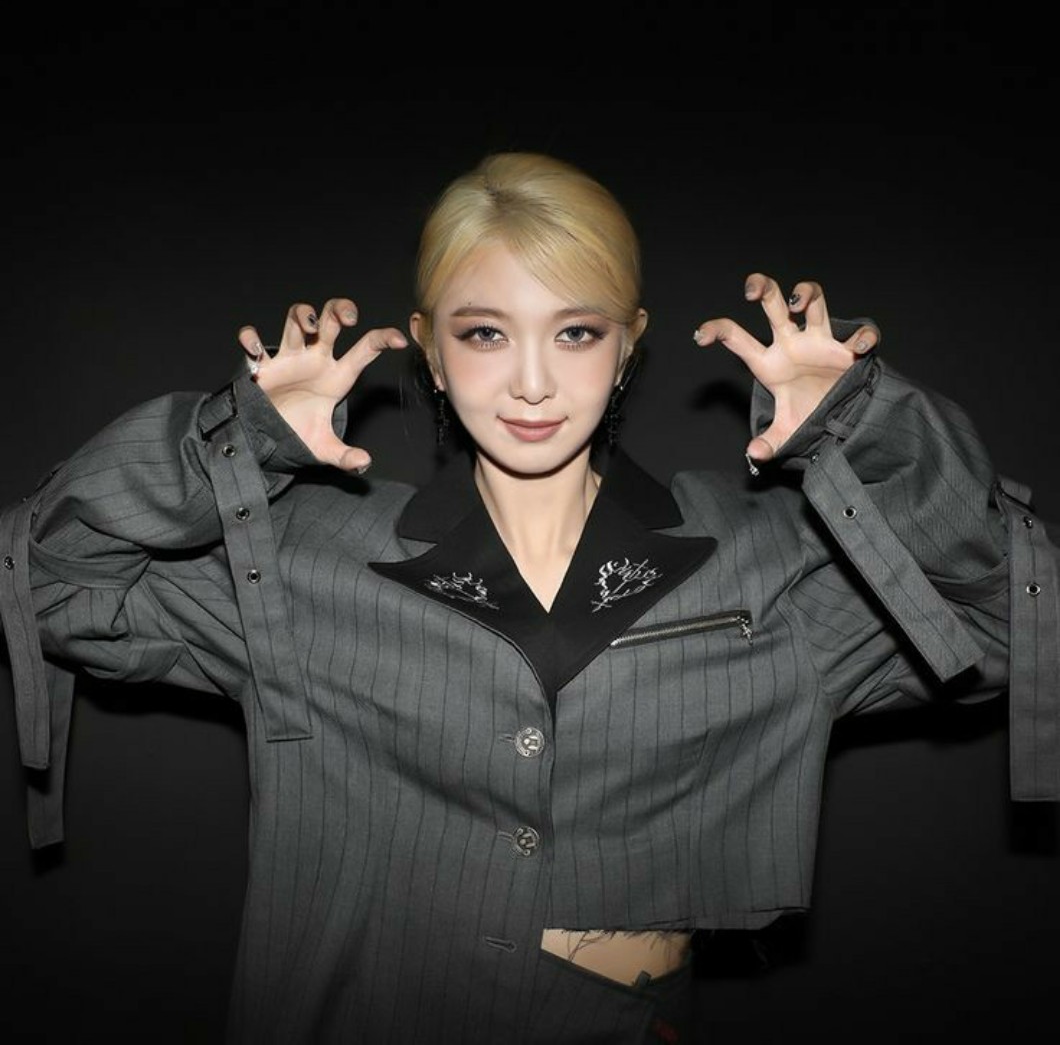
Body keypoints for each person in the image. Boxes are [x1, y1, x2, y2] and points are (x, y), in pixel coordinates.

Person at [1, 151, 1056, 1044]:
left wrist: (868, 428)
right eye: (485, 333)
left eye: (576, 332)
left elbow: (1013, 622)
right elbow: (47, 585)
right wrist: (230, 445)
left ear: (630, 342)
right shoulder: (301, 554)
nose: (534, 384)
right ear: (428, 349)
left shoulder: (763, 555)